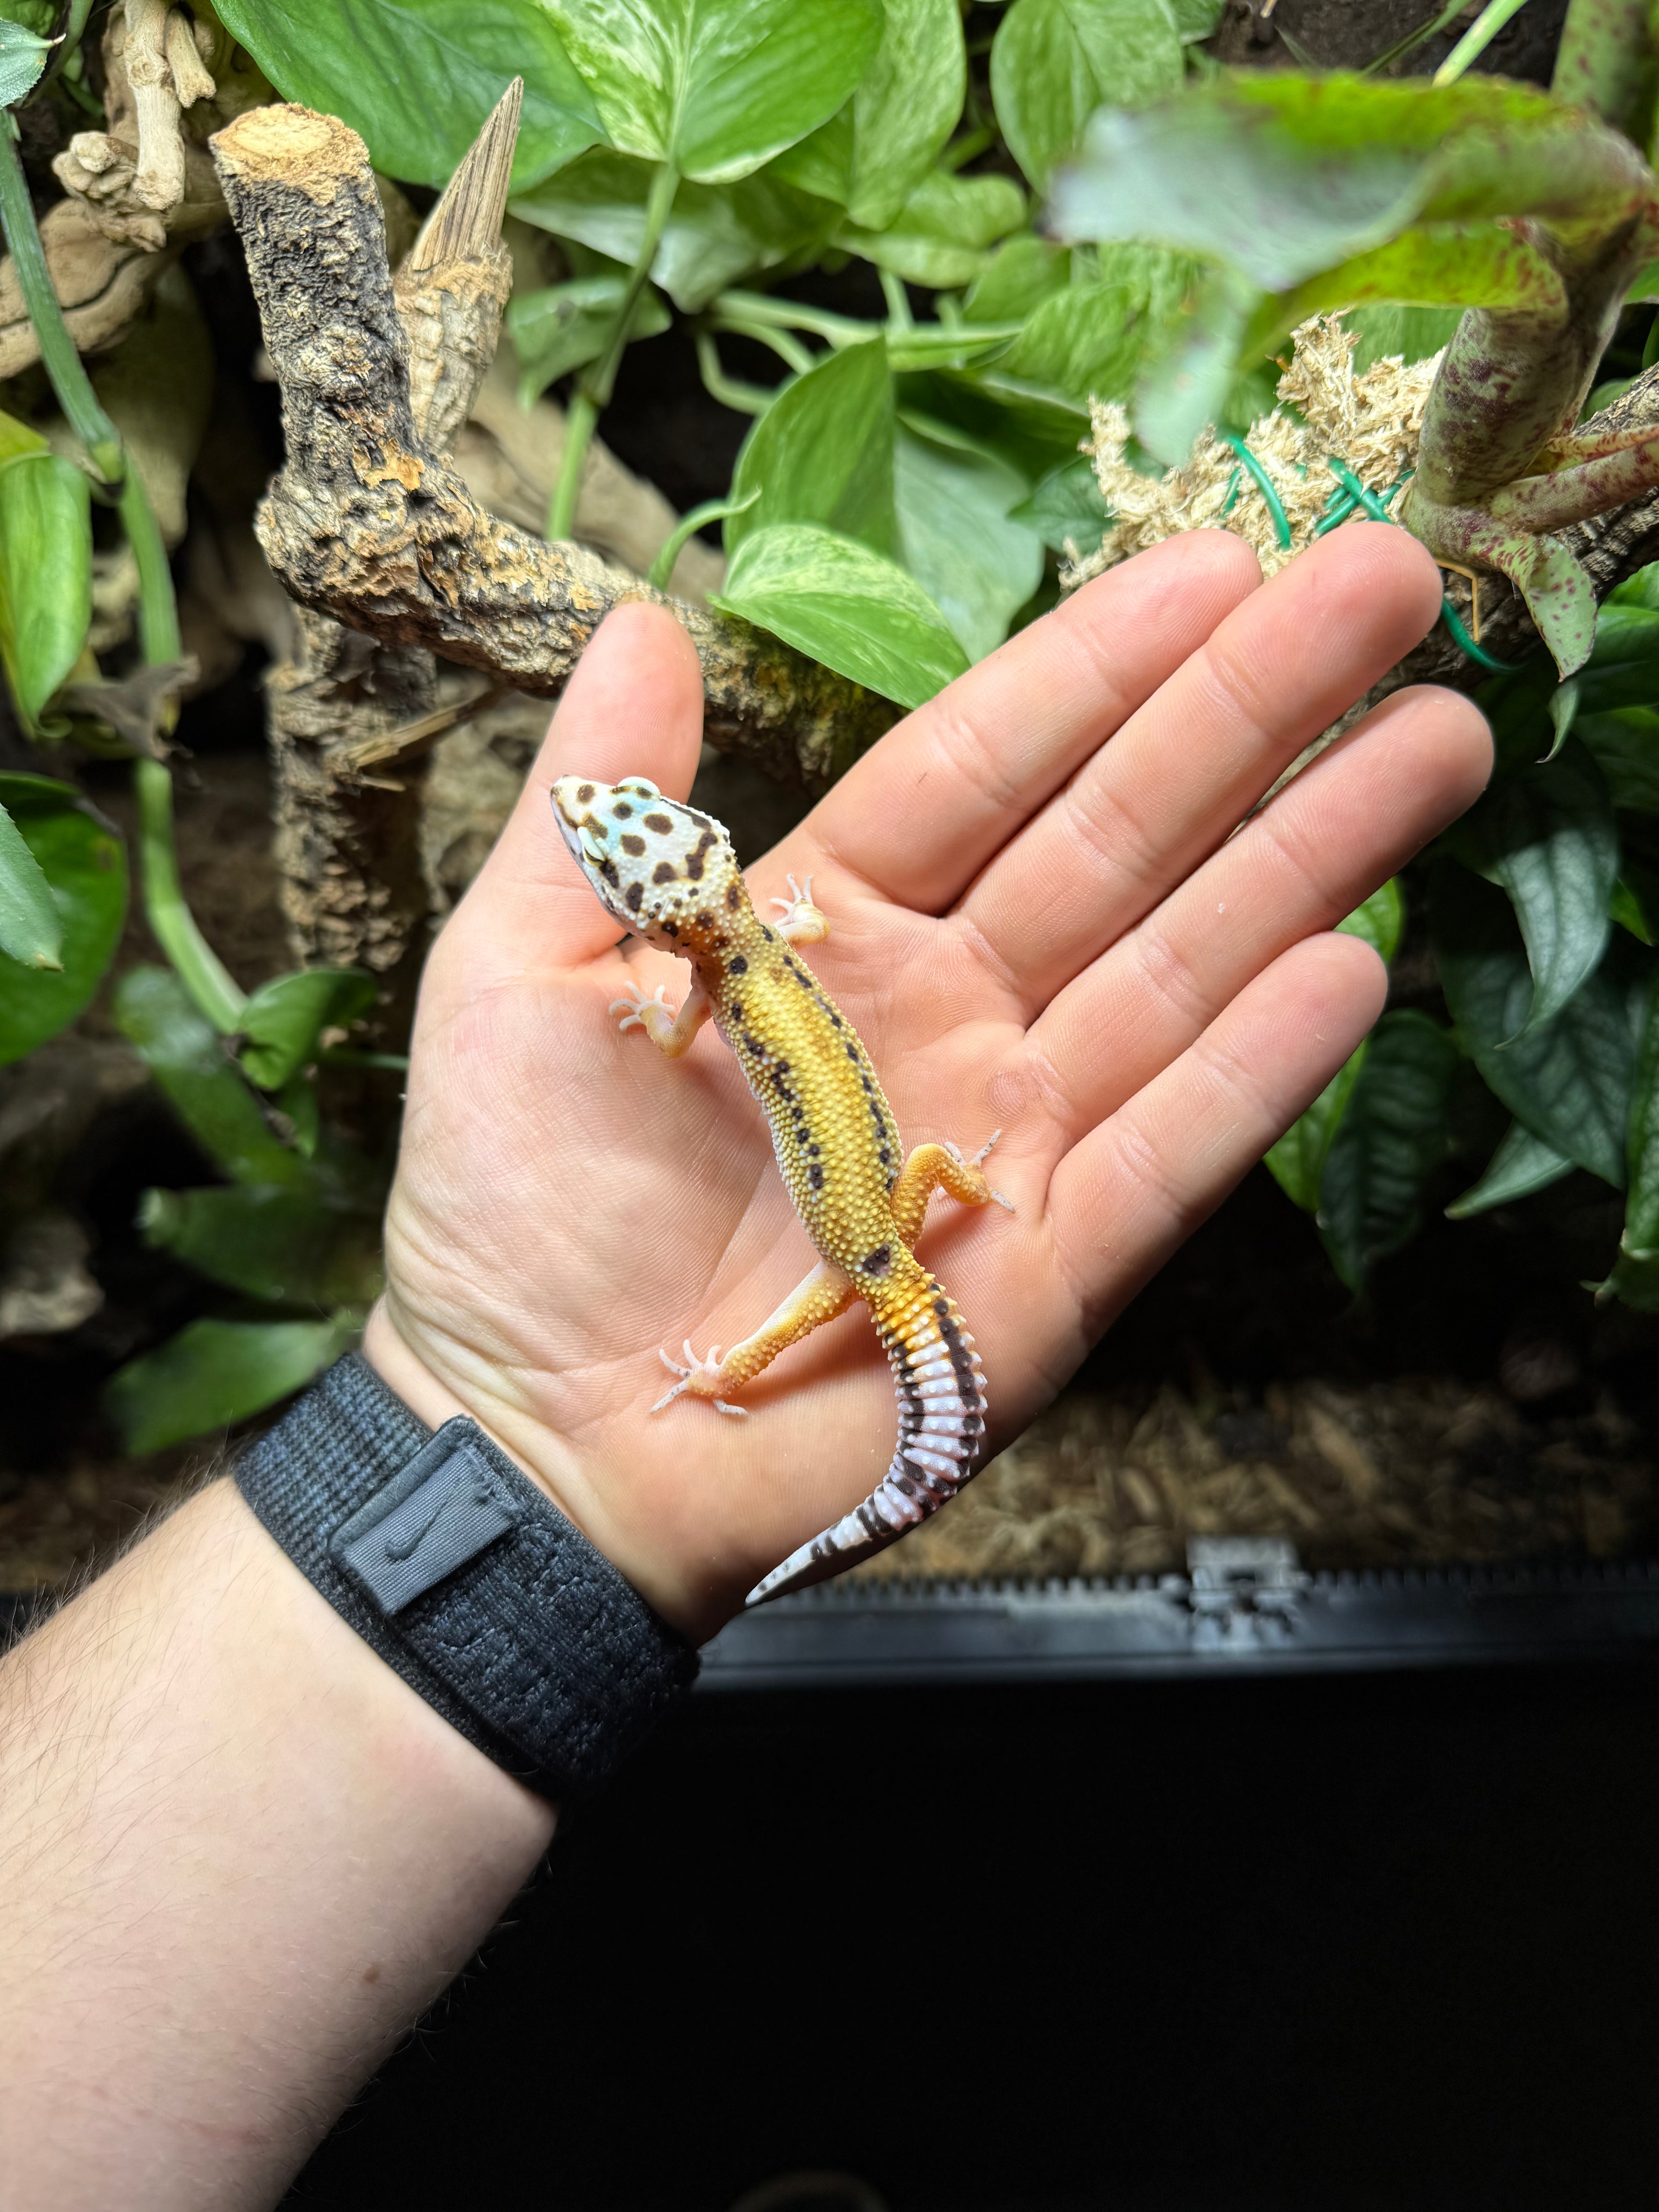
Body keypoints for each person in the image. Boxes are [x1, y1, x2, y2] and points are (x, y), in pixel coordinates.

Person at [0, 525, 1490, 2209]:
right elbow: (752, 947)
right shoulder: (750, 934)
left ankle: (751, 1372)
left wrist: (712, 1332)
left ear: (673, 887)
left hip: (876, 1252)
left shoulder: (706, 977)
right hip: (907, 1209)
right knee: (886, 1246)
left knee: (807, 1321)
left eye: (614, 848)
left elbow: (696, 1017)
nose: (590, 842)